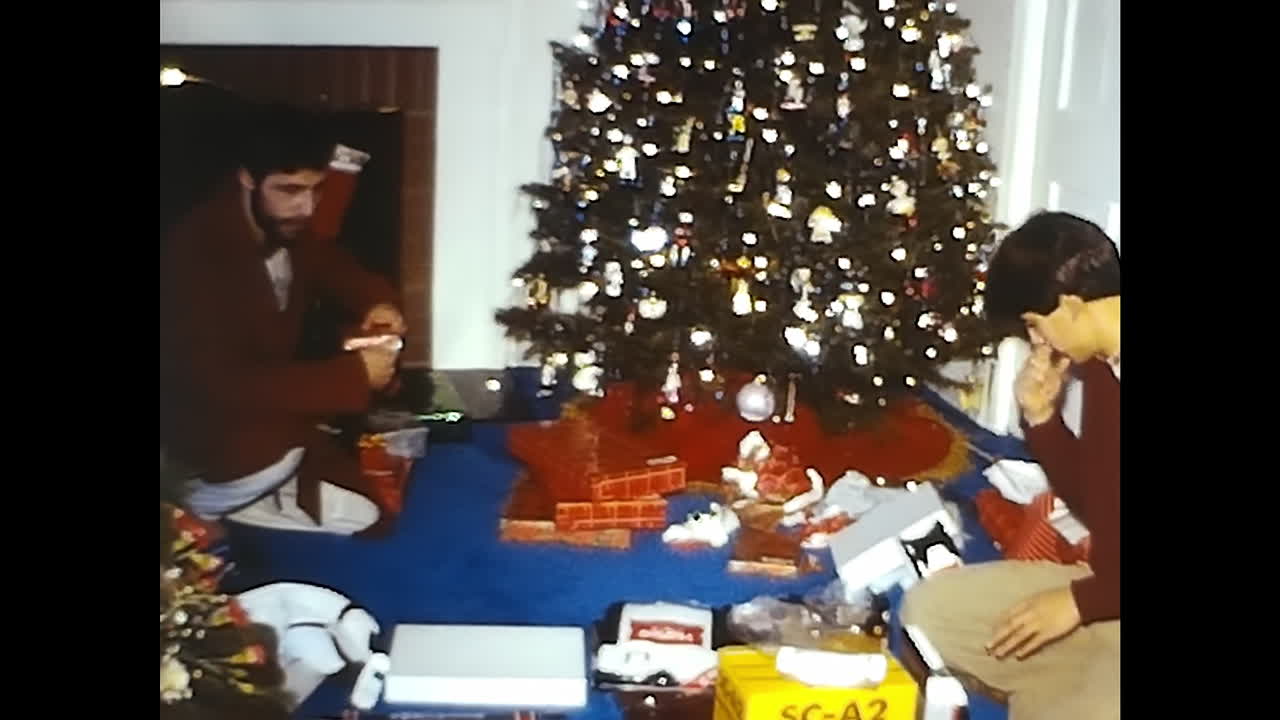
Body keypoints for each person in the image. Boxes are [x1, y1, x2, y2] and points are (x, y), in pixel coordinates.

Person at [901, 211, 1120, 719]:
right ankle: (1064, 682)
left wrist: (1082, 603)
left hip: (1103, 598)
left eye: (1033, 324)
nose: (1038, 341)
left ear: (1069, 304)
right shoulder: (1104, 367)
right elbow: (1096, 507)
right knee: (928, 612)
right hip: (1105, 593)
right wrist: (1042, 420)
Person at [160, 103, 404, 534]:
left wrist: (375, 303)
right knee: (281, 450)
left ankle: (256, 498)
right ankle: (194, 508)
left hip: (265, 417)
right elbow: (220, 384)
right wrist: (352, 376)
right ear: (247, 178)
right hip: (201, 436)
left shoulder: (279, 224)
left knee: (365, 515)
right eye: (289, 190)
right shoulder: (194, 254)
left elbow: (329, 263)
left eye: (316, 190)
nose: (306, 208)